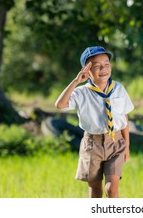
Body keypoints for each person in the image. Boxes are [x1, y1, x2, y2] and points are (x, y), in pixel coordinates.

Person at [55, 46, 134, 198]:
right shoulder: (81, 92)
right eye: (97, 66)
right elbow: (60, 105)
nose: (103, 69)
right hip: (92, 144)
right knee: (95, 190)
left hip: (116, 143)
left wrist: (127, 145)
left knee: (112, 189)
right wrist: (76, 81)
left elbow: (124, 117)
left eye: (106, 64)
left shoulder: (118, 88)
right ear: (87, 70)